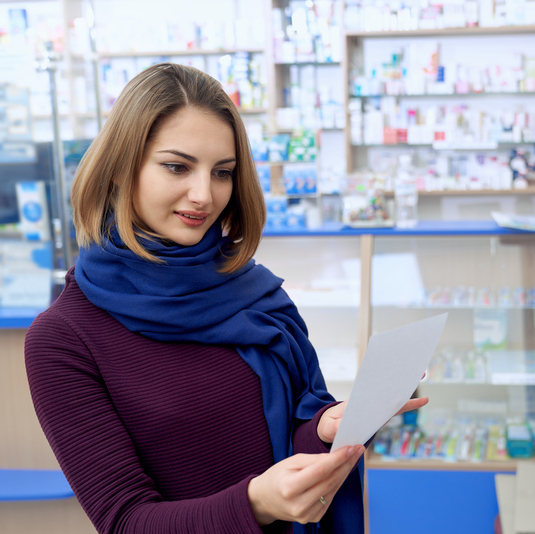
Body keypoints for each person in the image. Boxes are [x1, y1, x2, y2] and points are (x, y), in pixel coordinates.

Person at [24, 63, 426, 534]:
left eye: (222, 172)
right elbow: (125, 521)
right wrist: (255, 503)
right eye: (177, 166)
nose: (203, 195)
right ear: (119, 168)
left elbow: (283, 437)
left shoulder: (253, 293)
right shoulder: (64, 339)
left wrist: (323, 430)